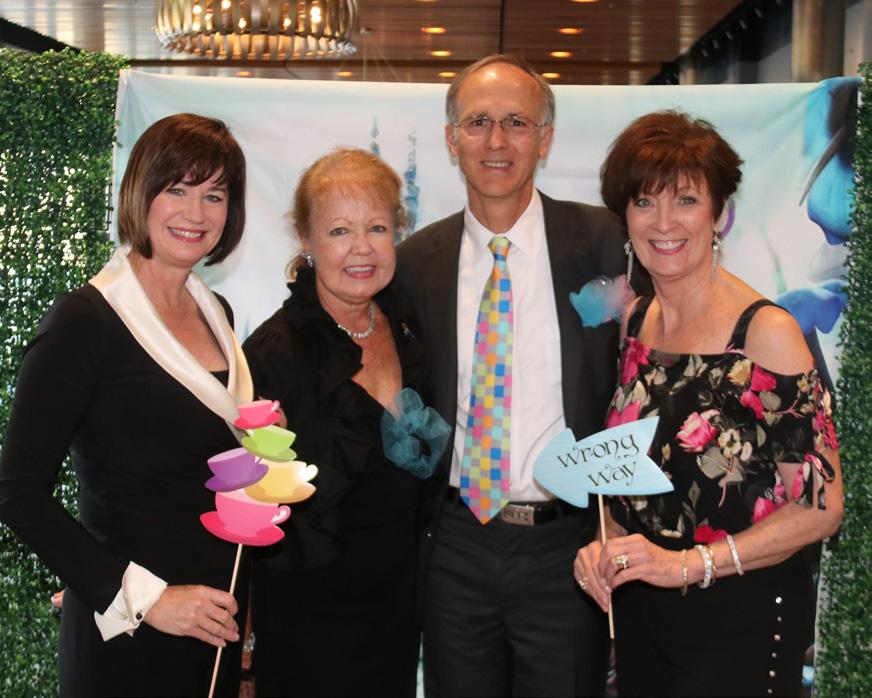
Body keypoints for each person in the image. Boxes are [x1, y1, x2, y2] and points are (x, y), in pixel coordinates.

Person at [573, 110, 844, 697]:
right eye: (644, 202)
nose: (664, 222)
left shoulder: (765, 332)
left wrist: (687, 566)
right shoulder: (637, 323)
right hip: (643, 612)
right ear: (625, 217)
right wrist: (603, 543)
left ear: (719, 214)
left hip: (741, 617)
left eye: (687, 200)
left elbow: (821, 508)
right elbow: (634, 474)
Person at [395, 54, 633, 697]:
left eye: (516, 123)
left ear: (545, 139)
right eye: (477, 122)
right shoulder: (415, 263)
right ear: (452, 139)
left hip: (568, 547)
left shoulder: (606, 243)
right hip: (454, 547)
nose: (496, 141)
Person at [0, 113, 253, 697]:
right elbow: (16, 490)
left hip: (212, 622)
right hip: (128, 631)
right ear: (141, 193)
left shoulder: (216, 313)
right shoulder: (85, 321)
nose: (196, 213)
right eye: (178, 190)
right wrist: (146, 598)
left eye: (214, 195)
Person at [242, 148, 447, 697]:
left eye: (376, 228)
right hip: (308, 623)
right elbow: (246, 508)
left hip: (397, 612)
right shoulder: (273, 354)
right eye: (339, 231)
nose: (361, 248)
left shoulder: (407, 326)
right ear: (306, 240)